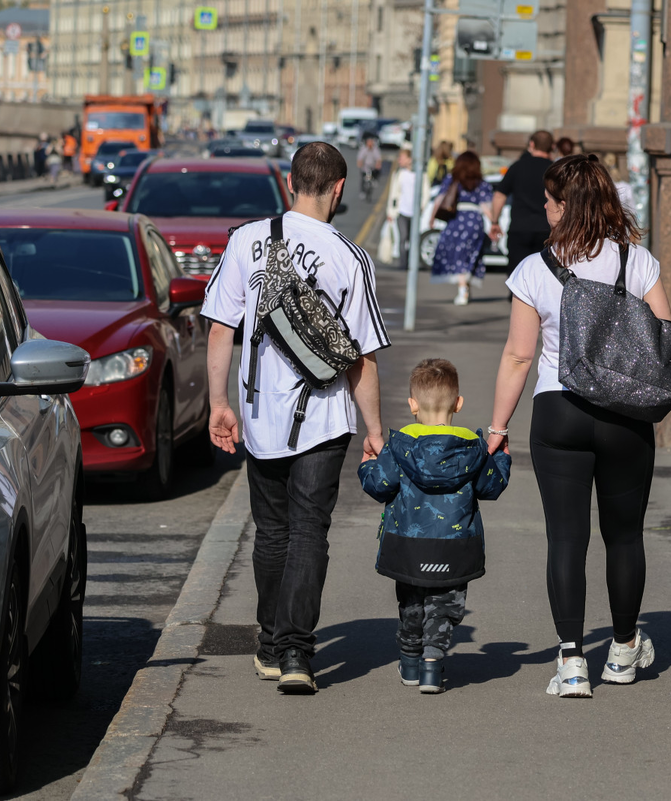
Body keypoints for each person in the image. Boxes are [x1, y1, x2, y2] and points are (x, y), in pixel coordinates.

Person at [202, 141, 390, 695]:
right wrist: (375, 429)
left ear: (290, 183)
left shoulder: (245, 240)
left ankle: (267, 642)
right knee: (310, 530)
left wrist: (219, 403)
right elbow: (362, 357)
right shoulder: (348, 256)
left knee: (273, 530)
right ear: (338, 190)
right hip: (324, 416)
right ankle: (296, 656)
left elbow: (219, 330)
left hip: (260, 413)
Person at [487, 154, 671, 698]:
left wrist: (497, 427)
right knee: (624, 535)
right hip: (624, 416)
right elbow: (662, 335)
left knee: (566, 537)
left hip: (558, 411)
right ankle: (621, 651)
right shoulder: (636, 263)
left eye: (549, 200)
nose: (543, 207)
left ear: (567, 205)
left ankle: (571, 663)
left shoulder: (534, 269)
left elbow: (520, 358)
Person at [358, 358, 511, 693]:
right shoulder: (472, 448)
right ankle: (432, 664)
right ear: (458, 403)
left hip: (407, 544)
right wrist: (501, 457)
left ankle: (410, 662)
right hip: (455, 545)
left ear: (412, 406)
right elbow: (492, 487)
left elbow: (378, 486)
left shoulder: (400, 447)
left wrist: (367, 464)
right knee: (444, 605)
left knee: (411, 602)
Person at [428, 150, 493, 305]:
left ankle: (462, 290)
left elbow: (440, 199)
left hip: (457, 220)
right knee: (471, 255)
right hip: (475, 222)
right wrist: (494, 223)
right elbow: (485, 206)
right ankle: (466, 289)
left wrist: (432, 218)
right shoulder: (481, 183)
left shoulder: (452, 179)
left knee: (458, 254)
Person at [489, 130, 554, 287]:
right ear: (551, 146)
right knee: (544, 278)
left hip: (520, 228)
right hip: (548, 230)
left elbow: (499, 195)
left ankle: (518, 307)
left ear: (532, 144)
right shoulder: (555, 169)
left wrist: (494, 221)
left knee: (518, 276)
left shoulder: (518, 167)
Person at [386, 147, 415, 269]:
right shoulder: (398, 174)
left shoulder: (419, 174)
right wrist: (390, 212)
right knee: (403, 237)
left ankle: (412, 263)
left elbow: (425, 192)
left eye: (402, 158)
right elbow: (393, 194)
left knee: (412, 239)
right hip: (401, 211)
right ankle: (403, 264)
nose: (399, 160)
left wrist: (422, 208)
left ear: (410, 159)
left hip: (415, 213)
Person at [356, 134, 382, 199]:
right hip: (365, 167)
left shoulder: (375, 149)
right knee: (363, 178)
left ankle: (375, 180)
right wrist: (360, 163)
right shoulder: (364, 149)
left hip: (373, 167)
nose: (370, 143)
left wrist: (378, 164)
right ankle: (362, 192)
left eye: (371, 142)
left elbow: (378, 158)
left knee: (377, 172)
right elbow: (360, 158)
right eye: (369, 142)